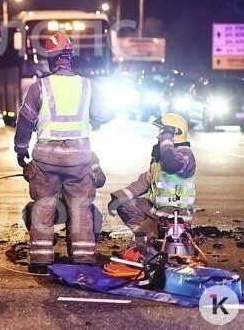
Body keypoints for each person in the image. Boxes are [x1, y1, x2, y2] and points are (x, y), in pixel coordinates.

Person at [13, 32, 112, 274]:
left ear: (51, 59)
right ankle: (83, 257)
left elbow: (24, 122)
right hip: (79, 158)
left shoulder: (40, 88)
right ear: (70, 58)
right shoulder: (88, 86)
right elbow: (104, 114)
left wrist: (21, 150)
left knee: (44, 206)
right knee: (80, 206)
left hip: (46, 159)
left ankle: (39, 260)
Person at [108, 113, 196, 247]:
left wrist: (166, 137)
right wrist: (118, 198)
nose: (158, 136)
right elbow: (145, 181)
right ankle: (151, 235)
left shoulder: (185, 154)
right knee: (124, 204)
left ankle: (148, 239)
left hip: (175, 214)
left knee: (139, 247)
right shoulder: (159, 160)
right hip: (157, 212)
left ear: (174, 133)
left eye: (162, 132)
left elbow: (171, 162)